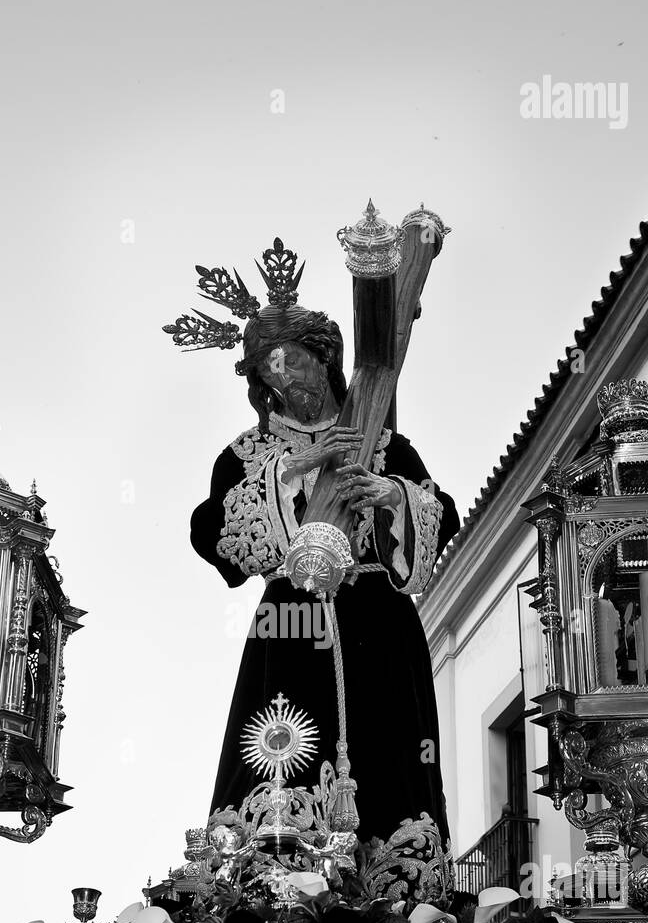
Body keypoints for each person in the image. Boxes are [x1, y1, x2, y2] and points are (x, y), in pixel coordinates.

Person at [189, 296, 460, 873]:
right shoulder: (247, 454)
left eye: (294, 361)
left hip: (379, 620)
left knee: (389, 751)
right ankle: (270, 885)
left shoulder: (385, 445)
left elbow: (444, 513)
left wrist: (393, 498)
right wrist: (292, 470)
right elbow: (212, 533)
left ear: (327, 357)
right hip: (291, 620)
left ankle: (398, 887)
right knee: (280, 752)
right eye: (270, 369)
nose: (285, 378)